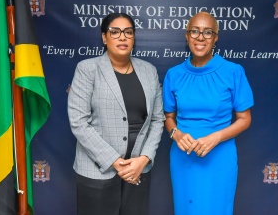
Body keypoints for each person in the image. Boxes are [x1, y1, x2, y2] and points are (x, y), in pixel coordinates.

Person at [68, 13, 164, 215]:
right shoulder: (87, 69)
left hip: (138, 171)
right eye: (115, 32)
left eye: (128, 32)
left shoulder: (149, 71)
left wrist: (144, 158)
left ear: (133, 37)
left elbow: (157, 119)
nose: (123, 37)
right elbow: (78, 122)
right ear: (104, 37)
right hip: (97, 171)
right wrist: (115, 161)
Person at [162, 12, 254, 215]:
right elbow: (168, 118)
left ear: (215, 38)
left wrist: (216, 137)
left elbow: (245, 119)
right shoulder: (174, 74)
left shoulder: (233, 71)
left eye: (207, 32)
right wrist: (176, 134)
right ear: (187, 36)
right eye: (195, 31)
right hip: (183, 156)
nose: (200, 37)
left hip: (219, 156)